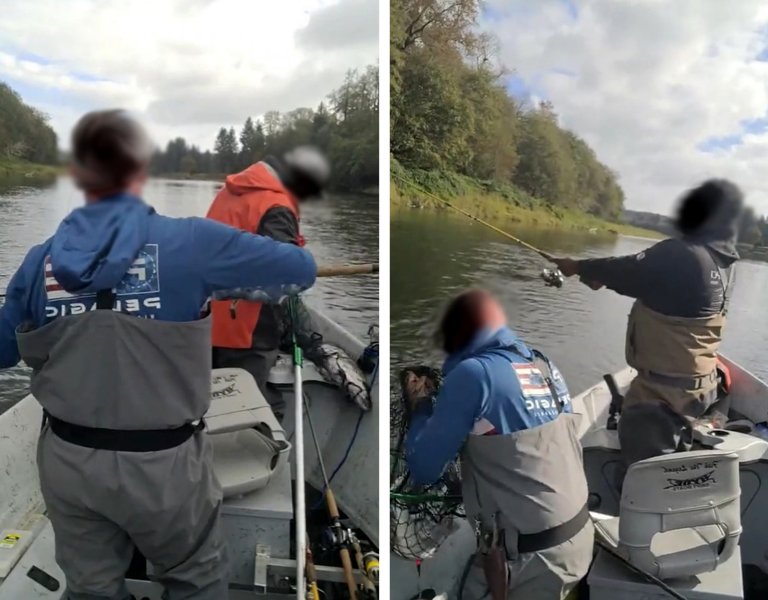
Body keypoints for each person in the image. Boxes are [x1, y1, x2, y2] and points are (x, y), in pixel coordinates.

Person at [0, 110, 317, 600]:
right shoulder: (192, 242)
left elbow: (3, 350)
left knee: (90, 588)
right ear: (139, 173)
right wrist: (220, 277)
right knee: (195, 580)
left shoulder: (37, 259)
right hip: (164, 469)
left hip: (68, 462)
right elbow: (299, 270)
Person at [405, 289, 594, 600]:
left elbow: (424, 468)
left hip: (532, 560)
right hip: (579, 539)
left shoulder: (474, 373)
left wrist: (422, 408)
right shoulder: (543, 363)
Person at [553, 179, 743, 467]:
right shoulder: (721, 264)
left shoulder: (682, 253)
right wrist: (601, 277)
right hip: (698, 386)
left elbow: (630, 269)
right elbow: (655, 285)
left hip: (663, 396)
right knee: (670, 464)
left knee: (645, 480)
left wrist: (578, 267)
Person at [206, 146, 330, 420]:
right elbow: (284, 273)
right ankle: (265, 454)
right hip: (248, 329)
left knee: (215, 400)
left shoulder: (229, 193)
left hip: (208, 319)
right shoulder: (276, 206)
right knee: (253, 407)